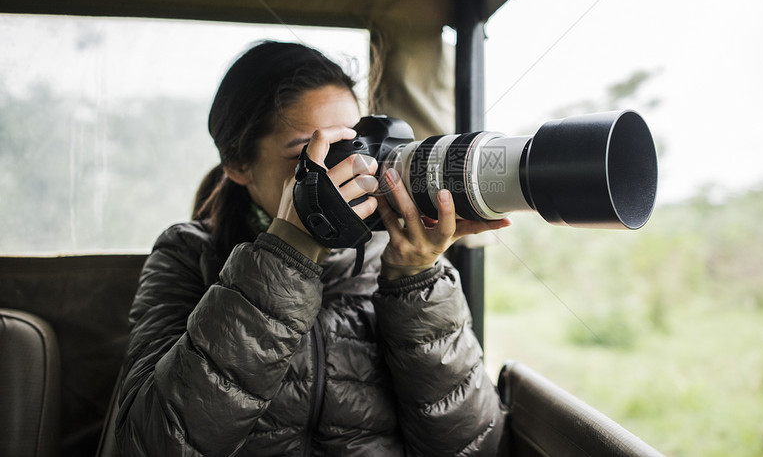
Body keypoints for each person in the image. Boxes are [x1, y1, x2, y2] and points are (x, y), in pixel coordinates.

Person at [115, 41, 512, 456]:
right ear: (237, 164)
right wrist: (287, 254)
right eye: (312, 153)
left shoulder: (395, 254)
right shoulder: (187, 254)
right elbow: (146, 444)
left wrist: (416, 280)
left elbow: (475, 449)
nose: (346, 170)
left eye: (353, 146)